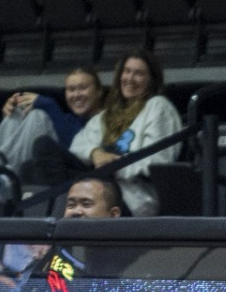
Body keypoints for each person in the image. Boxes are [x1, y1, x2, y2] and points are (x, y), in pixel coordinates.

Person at [69, 51, 179, 217]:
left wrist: (116, 166)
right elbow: (77, 146)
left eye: (139, 73)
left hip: (130, 195)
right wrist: (95, 153)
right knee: (44, 147)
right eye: (126, 71)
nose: (130, 78)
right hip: (96, 186)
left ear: (151, 79)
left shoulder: (158, 106)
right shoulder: (107, 115)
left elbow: (159, 161)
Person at [0, 69, 105, 183]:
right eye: (71, 90)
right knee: (20, 110)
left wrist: (48, 104)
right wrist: (12, 111)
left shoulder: (107, 119)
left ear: (99, 92)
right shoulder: (68, 119)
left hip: (79, 172)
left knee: (38, 116)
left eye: (82, 88)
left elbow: (76, 144)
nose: (76, 95)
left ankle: (6, 175)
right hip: (44, 165)